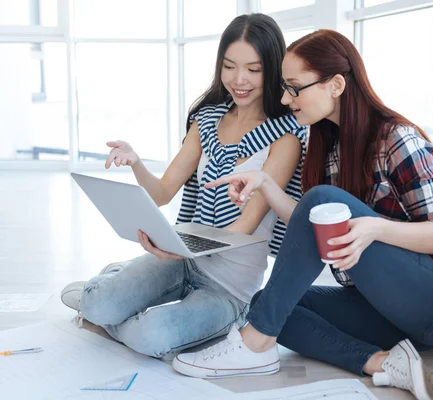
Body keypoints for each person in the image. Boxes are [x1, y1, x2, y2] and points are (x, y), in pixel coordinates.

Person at [172, 30, 433, 400]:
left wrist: (375, 229)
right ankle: (381, 364)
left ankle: (252, 345)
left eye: (295, 88)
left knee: (313, 216)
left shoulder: (397, 139)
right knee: (270, 306)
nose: (286, 99)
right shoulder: (325, 147)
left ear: (335, 85)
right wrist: (267, 186)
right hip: (382, 308)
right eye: (284, 88)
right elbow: (308, 220)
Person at [59, 13, 307, 359]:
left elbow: (243, 228)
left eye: (254, 69)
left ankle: (106, 305)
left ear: (272, 68)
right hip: (182, 260)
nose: (239, 80)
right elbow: (161, 193)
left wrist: (181, 247)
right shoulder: (206, 120)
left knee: (150, 336)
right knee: (101, 304)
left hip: (229, 287)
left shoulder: (285, 136)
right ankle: (104, 300)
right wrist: (135, 162)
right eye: (229, 66)